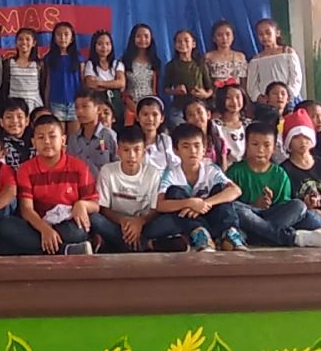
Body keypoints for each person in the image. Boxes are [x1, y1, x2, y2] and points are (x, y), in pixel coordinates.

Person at [0, 114, 99, 256]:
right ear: (33, 142)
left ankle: (9, 248)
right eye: (41, 137)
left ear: (63, 140)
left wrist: (82, 204)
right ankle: (65, 250)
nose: (47, 142)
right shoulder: (25, 169)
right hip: (37, 225)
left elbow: (95, 205)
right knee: (6, 225)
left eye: (52, 136)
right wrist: (45, 230)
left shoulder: (78, 167)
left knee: (77, 231)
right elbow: (26, 209)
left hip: (67, 224)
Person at [224, 123, 321, 248]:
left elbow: (284, 210)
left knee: (299, 206)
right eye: (255, 144)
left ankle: (257, 236)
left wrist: (268, 206)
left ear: (274, 148)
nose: (260, 150)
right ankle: (292, 238)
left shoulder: (280, 174)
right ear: (246, 145)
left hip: (271, 217)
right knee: (235, 208)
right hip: (248, 215)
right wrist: (255, 205)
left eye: (266, 145)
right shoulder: (235, 171)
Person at [154, 123, 246, 252]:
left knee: (221, 189)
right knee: (174, 192)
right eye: (186, 146)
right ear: (176, 150)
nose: (193, 151)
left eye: (197, 146)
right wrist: (190, 203)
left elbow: (236, 190)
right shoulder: (171, 174)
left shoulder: (210, 169)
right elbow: (160, 204)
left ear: (204, 149)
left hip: (211, 213)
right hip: (189, 220)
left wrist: (205, 203)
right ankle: (201, 236)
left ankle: (229, 235)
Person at [93, 127, 186, 253]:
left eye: (136, 150)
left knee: (172, 220)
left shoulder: (152, 173)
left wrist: (139, 222)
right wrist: (124, 221)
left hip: (144, 224)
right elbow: (104, 208)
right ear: (118, 151)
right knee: (94, 219)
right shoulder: (107, 171)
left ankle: (122, 245)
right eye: (126, 150)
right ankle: (145, 244)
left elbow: (155, 209)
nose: (131, 156)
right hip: (117, 224)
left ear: (144, 152)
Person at [278, 110, 321, 242]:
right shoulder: (284, 169)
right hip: (307, 215)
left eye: (306, 137)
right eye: (296, 137)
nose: (303, 141)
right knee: (309, 218)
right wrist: (310, 209)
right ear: (288, 142)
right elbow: (288, 205)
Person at [246, 19, 305, 105]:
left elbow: (296, 77)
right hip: (266, 102)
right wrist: (259, 97)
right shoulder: (256, 60)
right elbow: (252, 85)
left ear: (277, 33)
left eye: (268, 33)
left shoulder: (288, 52)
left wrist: (289, 94)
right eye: (261, 34)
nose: (264, 37)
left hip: (287, 100)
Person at [163, 29, 213, 126]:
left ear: (193, 44)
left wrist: (205, 94)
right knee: (181, 128)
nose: (182, 44)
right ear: (175, 45)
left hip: (199, 106)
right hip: (179, 107)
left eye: (186, 40)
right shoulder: (171, 65)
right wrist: (175, 91)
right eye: (179, 41)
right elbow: (166, 88)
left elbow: (210, 87)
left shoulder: (200, 64)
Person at [42, 22, 84, 134]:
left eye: (66, 34)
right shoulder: (49, 58)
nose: (62, 37)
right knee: (59, 137)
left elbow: (82, 81)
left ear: (72, 38)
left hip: (74, 103)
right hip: (56, 103)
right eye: (59, 34)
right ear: (54, 38)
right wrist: (46, 103)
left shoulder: (78, 58)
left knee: (74, 139)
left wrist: (82, 102)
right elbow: (48, 82)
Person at [81, 29, 126, 124]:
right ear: (94, 46)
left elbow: (121, 83)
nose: (104, 47)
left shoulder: (117, 64)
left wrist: (99, 83)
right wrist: (112, 84)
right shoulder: (90, 64)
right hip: (99, 103)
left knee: (117, 128)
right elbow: (90, 84)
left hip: (116, 104)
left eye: (107, 43)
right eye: (100, 44)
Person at [68, 91, 118, 175]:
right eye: (76, 107)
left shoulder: (108, 135)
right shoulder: (73, 139)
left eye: (85, 106)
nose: (80, 111)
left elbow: (117, 164)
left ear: (98, 109)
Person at [122, 25, 161, 128]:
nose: (143, 39)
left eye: (146, 36)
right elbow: (123, 89)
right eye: (138, 36)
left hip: (150, 106)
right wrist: (132, 105)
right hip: (131, 106)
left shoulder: (155, 62)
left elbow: (155, 89)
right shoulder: (125, 61)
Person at [4, 28, 43, 116]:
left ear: (34, 43)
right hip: (14, 106)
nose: (24, 42)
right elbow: (5, 86)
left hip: (34, 106)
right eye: (20, 39)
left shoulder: (39, 64)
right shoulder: (9, 63)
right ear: (16, 42)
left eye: (27, 39)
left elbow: (43, 87)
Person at [182, 100, 229, 170]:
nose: (196, 117)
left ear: (208, 114)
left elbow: (223, 170)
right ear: (186, 121)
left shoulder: (219, 142)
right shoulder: (183, 145)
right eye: (190, 115)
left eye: (199, 112)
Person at [204, 20, 249, 93]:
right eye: (219, 35)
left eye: (228, 34)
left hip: (237, 96)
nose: (224, 38)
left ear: (233, 36)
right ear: (214, 38)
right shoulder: (208, 57)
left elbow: (244, 82)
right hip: (216, 96)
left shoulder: (240, 56)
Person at [135, 96, 175, 173]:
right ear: (137, 118)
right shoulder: (131, 141)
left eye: (155, 114)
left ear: (162, 118)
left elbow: (174, 166)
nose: (150, 119)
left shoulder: (166, 141)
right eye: (145, 114)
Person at [214, 86, 248, 168]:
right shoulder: (215, 126)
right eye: (228, 98)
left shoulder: (248, 125)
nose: (234, 101)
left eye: (238, 97)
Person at [0, 100, 33, 171]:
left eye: (19, 116)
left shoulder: (35, 142)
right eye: (9, 117)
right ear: (1, 122)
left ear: (27, 121)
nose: (14, 121)